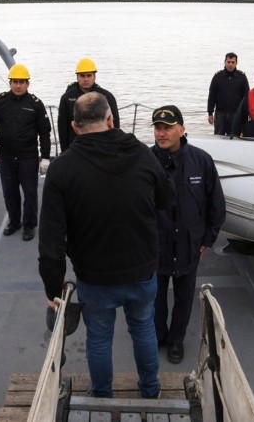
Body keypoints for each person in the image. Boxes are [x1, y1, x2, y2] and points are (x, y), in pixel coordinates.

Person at [38, 92, 174, 399]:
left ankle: (101, 395)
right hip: (142, 270)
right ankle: (150, 390)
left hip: (95, 277)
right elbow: (166, 197)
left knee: (99, 339)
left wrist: (52, 290)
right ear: (111, 119)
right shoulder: (140, 152)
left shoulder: (61, 169)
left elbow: (51, 242)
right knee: (143, 329)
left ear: (74, 127)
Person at [150, 105, 226, 364]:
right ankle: (158, 334)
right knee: (155, 296)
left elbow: (216, 204)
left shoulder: (201, 161)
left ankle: (176, 339)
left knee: (184, 297)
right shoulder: (146, 161)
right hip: (156, 245)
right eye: (158, 128)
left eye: (168, 127)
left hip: (189, 245)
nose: (161, 133)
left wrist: (207, 240)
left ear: (182, 129)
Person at [0, 63, 51, 242]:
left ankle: (29, 224)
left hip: (28, 156)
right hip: (5, 156)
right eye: (14, 81)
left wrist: (45, 157)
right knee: (9, 191)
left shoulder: (36, 104)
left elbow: (44, 132)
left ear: (28, 84)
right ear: (10, 83)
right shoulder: (0, 101)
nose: (18, 85)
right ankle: (14, 221)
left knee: (29, 192)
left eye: (21, 82)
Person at [56, 57, 120, 152]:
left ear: (95, 76)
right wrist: (65, 151)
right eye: (82, 76)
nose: (86, 79)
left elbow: (115, 124)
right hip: (76, 147)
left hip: (102, 146)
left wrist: (114, 147)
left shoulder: (107, 96)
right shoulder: (66, 98)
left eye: (89, 75)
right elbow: (63, 127)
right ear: (77, 77)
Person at [207, 52, 249, 136]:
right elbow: (212, 96)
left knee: (234, 138)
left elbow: (247, 97)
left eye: (233, 62)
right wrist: (210, 113)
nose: (230, 64)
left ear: (236, 63)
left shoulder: (242, 77)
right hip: (220, 114)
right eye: (228, 62)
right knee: (218, 137)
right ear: (225, 62)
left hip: (235, 114)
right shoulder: (217, 77)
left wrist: (246, 115)